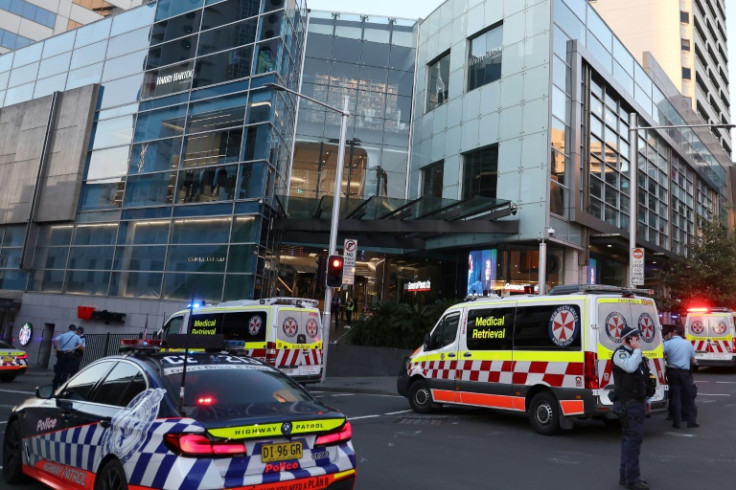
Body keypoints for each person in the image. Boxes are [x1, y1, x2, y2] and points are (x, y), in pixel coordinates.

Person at [612, 325, 651, 490]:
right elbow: (629, 367)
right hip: (628, 404)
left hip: (637, 402)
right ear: (628, 339)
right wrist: (636, 351)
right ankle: (632, 480)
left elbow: (642, 379)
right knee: (632, 441)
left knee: (630, 441)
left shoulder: (636, 355)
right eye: (636, 338)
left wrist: (647, 400)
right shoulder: (621, 354)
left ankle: (626, 476)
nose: (639, 340)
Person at [664, 325, 699, 429]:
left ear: (673, 333)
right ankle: (691, 421)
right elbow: (693, 360)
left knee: (675, 396)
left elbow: (663, 356)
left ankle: (676, 421)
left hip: (672, 372)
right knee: (689, 396)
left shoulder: (667, 344)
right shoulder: (688, 344)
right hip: (685, 373)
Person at [52, 324, 83, 390]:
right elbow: (80, 345)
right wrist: (73, 349)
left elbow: (54, 340)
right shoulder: (77, 337)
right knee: (65, 372)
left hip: (61, 355)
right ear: (75, 330)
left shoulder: (63, 335)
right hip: (69, 356)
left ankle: (54, 387)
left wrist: (55, 348)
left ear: (69, 328)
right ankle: (61, 388)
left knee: (58, 371)